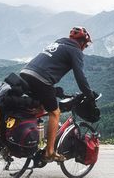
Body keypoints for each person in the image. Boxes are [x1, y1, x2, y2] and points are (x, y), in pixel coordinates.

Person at [20, 26, 95, 161]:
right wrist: (89, 95)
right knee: (55, 112)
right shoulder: (76, 50)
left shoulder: (59, 42)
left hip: (25, 73)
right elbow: (80, 77)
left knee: (38, 108)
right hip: (41, 79)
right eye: (85, 45)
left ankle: (29, 138)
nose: (85, 48)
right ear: (83, 42)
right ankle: (49, 151)